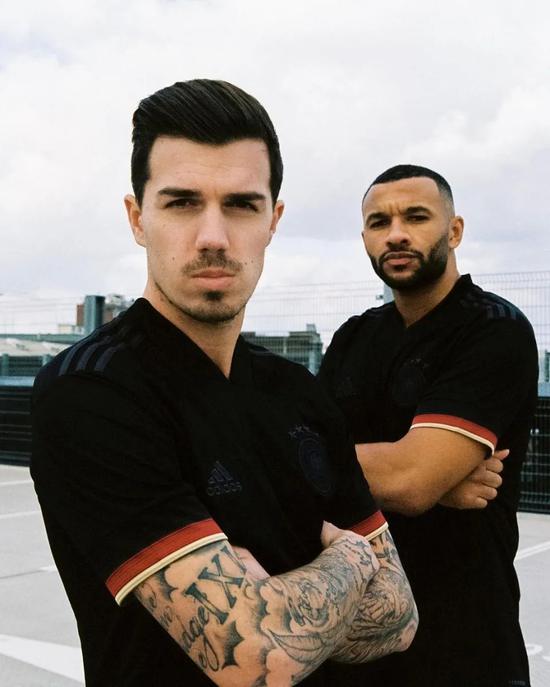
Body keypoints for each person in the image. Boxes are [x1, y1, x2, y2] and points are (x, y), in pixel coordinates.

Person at [30, 81, 417, 687]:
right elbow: (255, 659)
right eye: (182, 203)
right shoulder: (91, 392)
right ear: (137, 218)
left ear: (272, 221)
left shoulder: (299, 392)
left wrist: (273, 607)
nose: (213, 236)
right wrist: (348, 560)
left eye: (240, 204)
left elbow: (399, 617)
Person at [319, 164, 538, 686]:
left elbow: (410, 481)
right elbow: (299, 451)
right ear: (365, 239)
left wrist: (409, 475)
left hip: (464, 642)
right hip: (354, 636)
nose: (396, 234)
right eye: (379, 222)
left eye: (416, 217)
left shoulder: (493, 329)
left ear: (454, 231)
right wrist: (426, 476)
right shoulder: (353, 337)